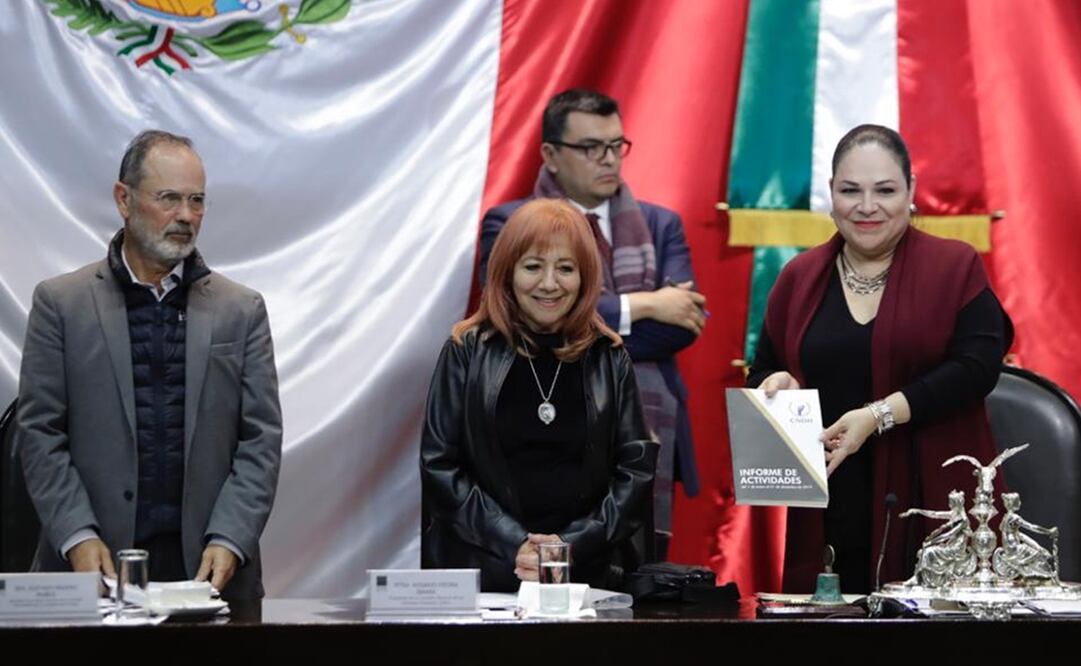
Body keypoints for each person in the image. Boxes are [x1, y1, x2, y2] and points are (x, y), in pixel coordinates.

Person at [746, 124, 1013, 593]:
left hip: (931, 498)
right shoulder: (798, 276)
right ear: (831, 194)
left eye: (885, 190)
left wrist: (879, 414)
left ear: (911, 191)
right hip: (831, 503)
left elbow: (978, 366)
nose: (867, 206)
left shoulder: (955, 266)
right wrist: (776, 381)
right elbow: (764, 365)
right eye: (851, 190)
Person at [16, 130, 282, 600]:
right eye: (169, 198)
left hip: (209, 575)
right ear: (124, 198)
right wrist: (77, 534)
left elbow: (261, 439)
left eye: (196, 201)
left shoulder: (242, 310)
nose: (186, 216)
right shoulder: (61, 304)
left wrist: (231, 536)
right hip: (89, 573)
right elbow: (39, 433)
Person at [480, 89, 703, 534]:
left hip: (645, 427)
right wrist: (647, 305)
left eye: (616, 145)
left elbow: (681, 329)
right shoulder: (510, 223)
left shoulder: (662, 225)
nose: (609, 159)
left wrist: (582, 322)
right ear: (550, 154)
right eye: (591, 147)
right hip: (542, 429)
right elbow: (522, 317)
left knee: (637, 580)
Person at [422, 198, 657, 591]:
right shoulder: (465, 349)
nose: (549, 283)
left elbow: (635, 469)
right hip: (485, 570)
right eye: (533, 266)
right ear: (507, 272)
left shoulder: (608, 355)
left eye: (565, 269)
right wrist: (515, 543)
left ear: (584, 278)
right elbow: (440, 465)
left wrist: (569, 546)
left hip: (587, 573)